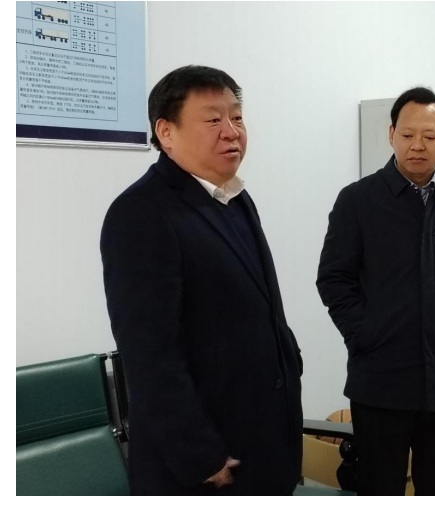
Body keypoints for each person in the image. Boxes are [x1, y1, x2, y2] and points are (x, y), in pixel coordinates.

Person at [100, 65, 303, 495]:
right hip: (206, 465)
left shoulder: (234, 196)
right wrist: (200, 455)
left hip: (263, 438)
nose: (232, 132)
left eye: (237, 117)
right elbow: (149, 354)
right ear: (166, 132)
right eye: (213, 119)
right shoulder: (141, 213)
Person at [316, 87, 435, 495]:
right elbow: (334, 279)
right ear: (391, 135)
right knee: (379, 484)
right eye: (408, 134)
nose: (418, 145)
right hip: (381, 375)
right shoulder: (358, 200)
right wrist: (363, 334)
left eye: (430, 136)